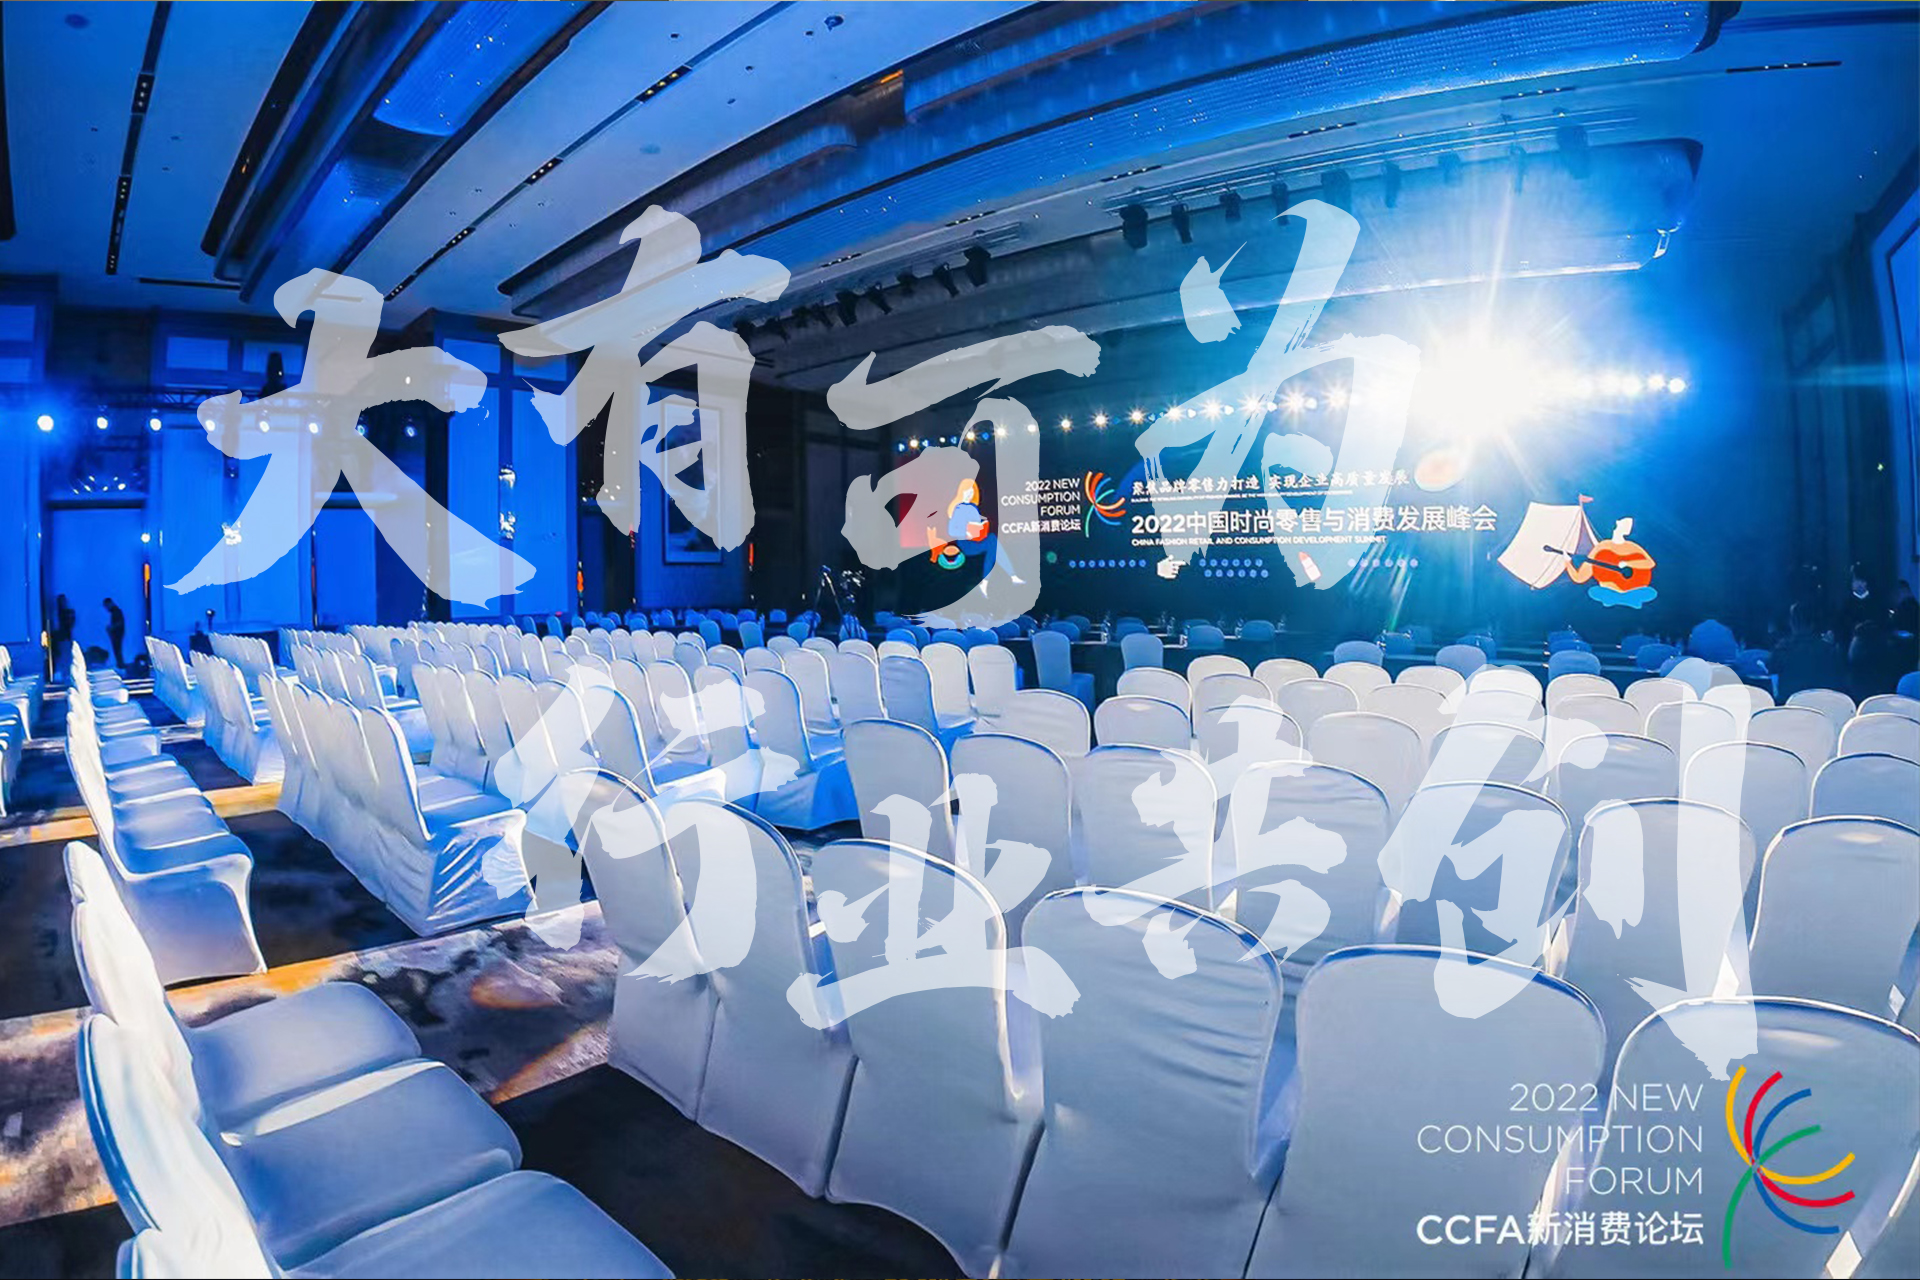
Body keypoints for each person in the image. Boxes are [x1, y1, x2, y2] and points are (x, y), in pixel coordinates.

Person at [1771, 601, 1848, 700]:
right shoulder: (1828, 649)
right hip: (1822, 703)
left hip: (1789, 704)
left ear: (1792, 622)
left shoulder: (1783, 648)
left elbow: (1771, 670)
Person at [103, 597, 126, 668]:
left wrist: (112, 627)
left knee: (117, 649)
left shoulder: (116, 612)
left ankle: (120, 665)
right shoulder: (115, 611)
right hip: (117, 633)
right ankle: (120, 664)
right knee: (117, 650)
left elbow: (119, 623)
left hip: (117, 633)